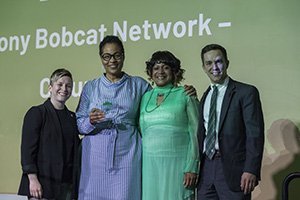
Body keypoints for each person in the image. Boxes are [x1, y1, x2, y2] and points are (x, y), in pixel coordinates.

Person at [76, 35, 196, 200]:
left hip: (127, 157)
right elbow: (79, 125)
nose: (112, 60)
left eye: (117, 55)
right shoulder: (90, 87)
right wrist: (90, 120)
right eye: (107, 56)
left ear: (123, 56)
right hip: (95, 159)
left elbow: (161, 103)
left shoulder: (139, 85)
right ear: (101, 58)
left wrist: (184, 90)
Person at [196, 44, 264, 200]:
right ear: (203, 67)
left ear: (227, 63)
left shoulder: (246, 92)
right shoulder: (205, 96)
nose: (214, 67)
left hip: (234, 170)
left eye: (218, 61)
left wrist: (251, 169)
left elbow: (254, 134)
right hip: (206, 169)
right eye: (209, 63)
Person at [139, 51, 200, 200]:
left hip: (178, 166)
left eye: (165, 67)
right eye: (156, 68)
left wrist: (192, 166)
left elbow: (196, 131)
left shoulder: (185, 94)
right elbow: (142, 131)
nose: (160, 71)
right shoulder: (146, 96)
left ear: (174, 71)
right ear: (150, 72)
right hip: (150, 166)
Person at [18, 68, 81, 200]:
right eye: (60, 84)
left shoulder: (72, 118)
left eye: (68, 85)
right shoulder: (37, 113)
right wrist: (33, 179)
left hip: (67, 186)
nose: (64, 88)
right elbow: (27, 150)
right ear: (50, 87)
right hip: (41, 186)